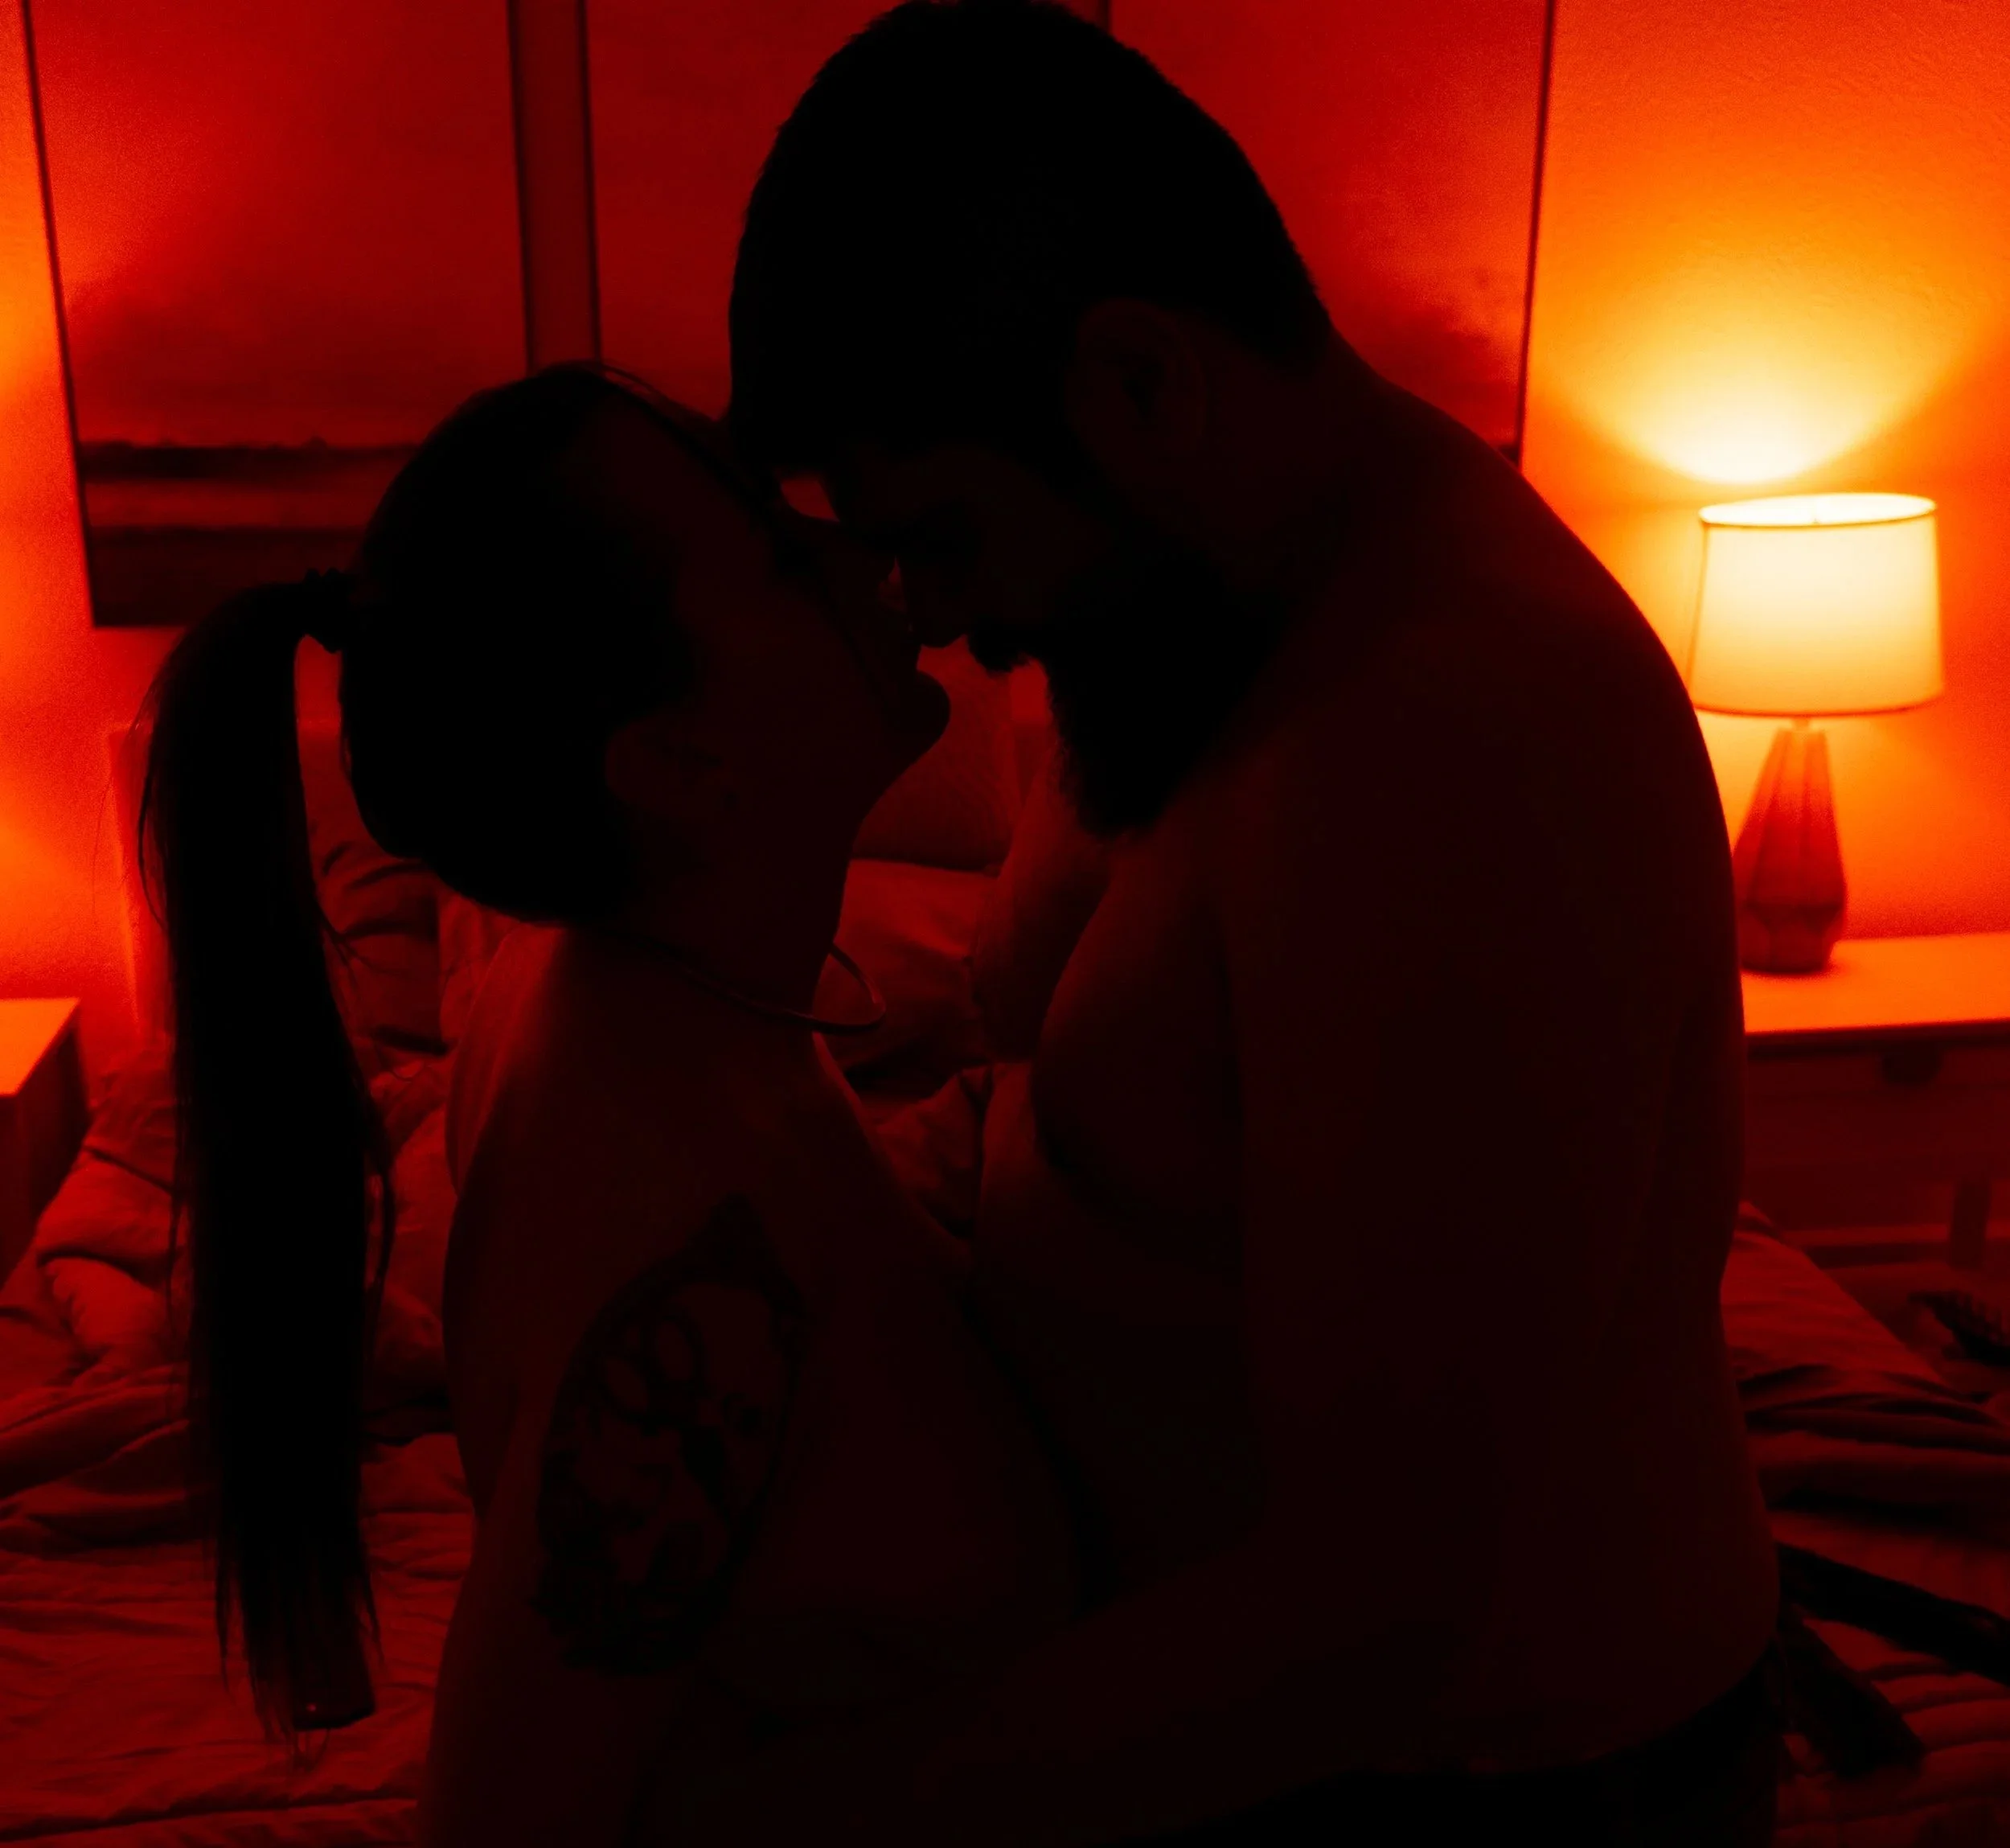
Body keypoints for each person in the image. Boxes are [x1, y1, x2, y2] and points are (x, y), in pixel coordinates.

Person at [687, 1, 1785, 1841]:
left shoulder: (1443, 739)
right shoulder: (1176, 623)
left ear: (1137, 383)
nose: (931, 618)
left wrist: (804, 1811)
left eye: (943, 534)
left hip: (1485, 1790)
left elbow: (1379, 1607)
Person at [140, 365, 1072, 1847]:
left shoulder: (625, 991)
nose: (855, 545)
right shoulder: (697, 1249)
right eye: (777, 553)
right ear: (679, 763)